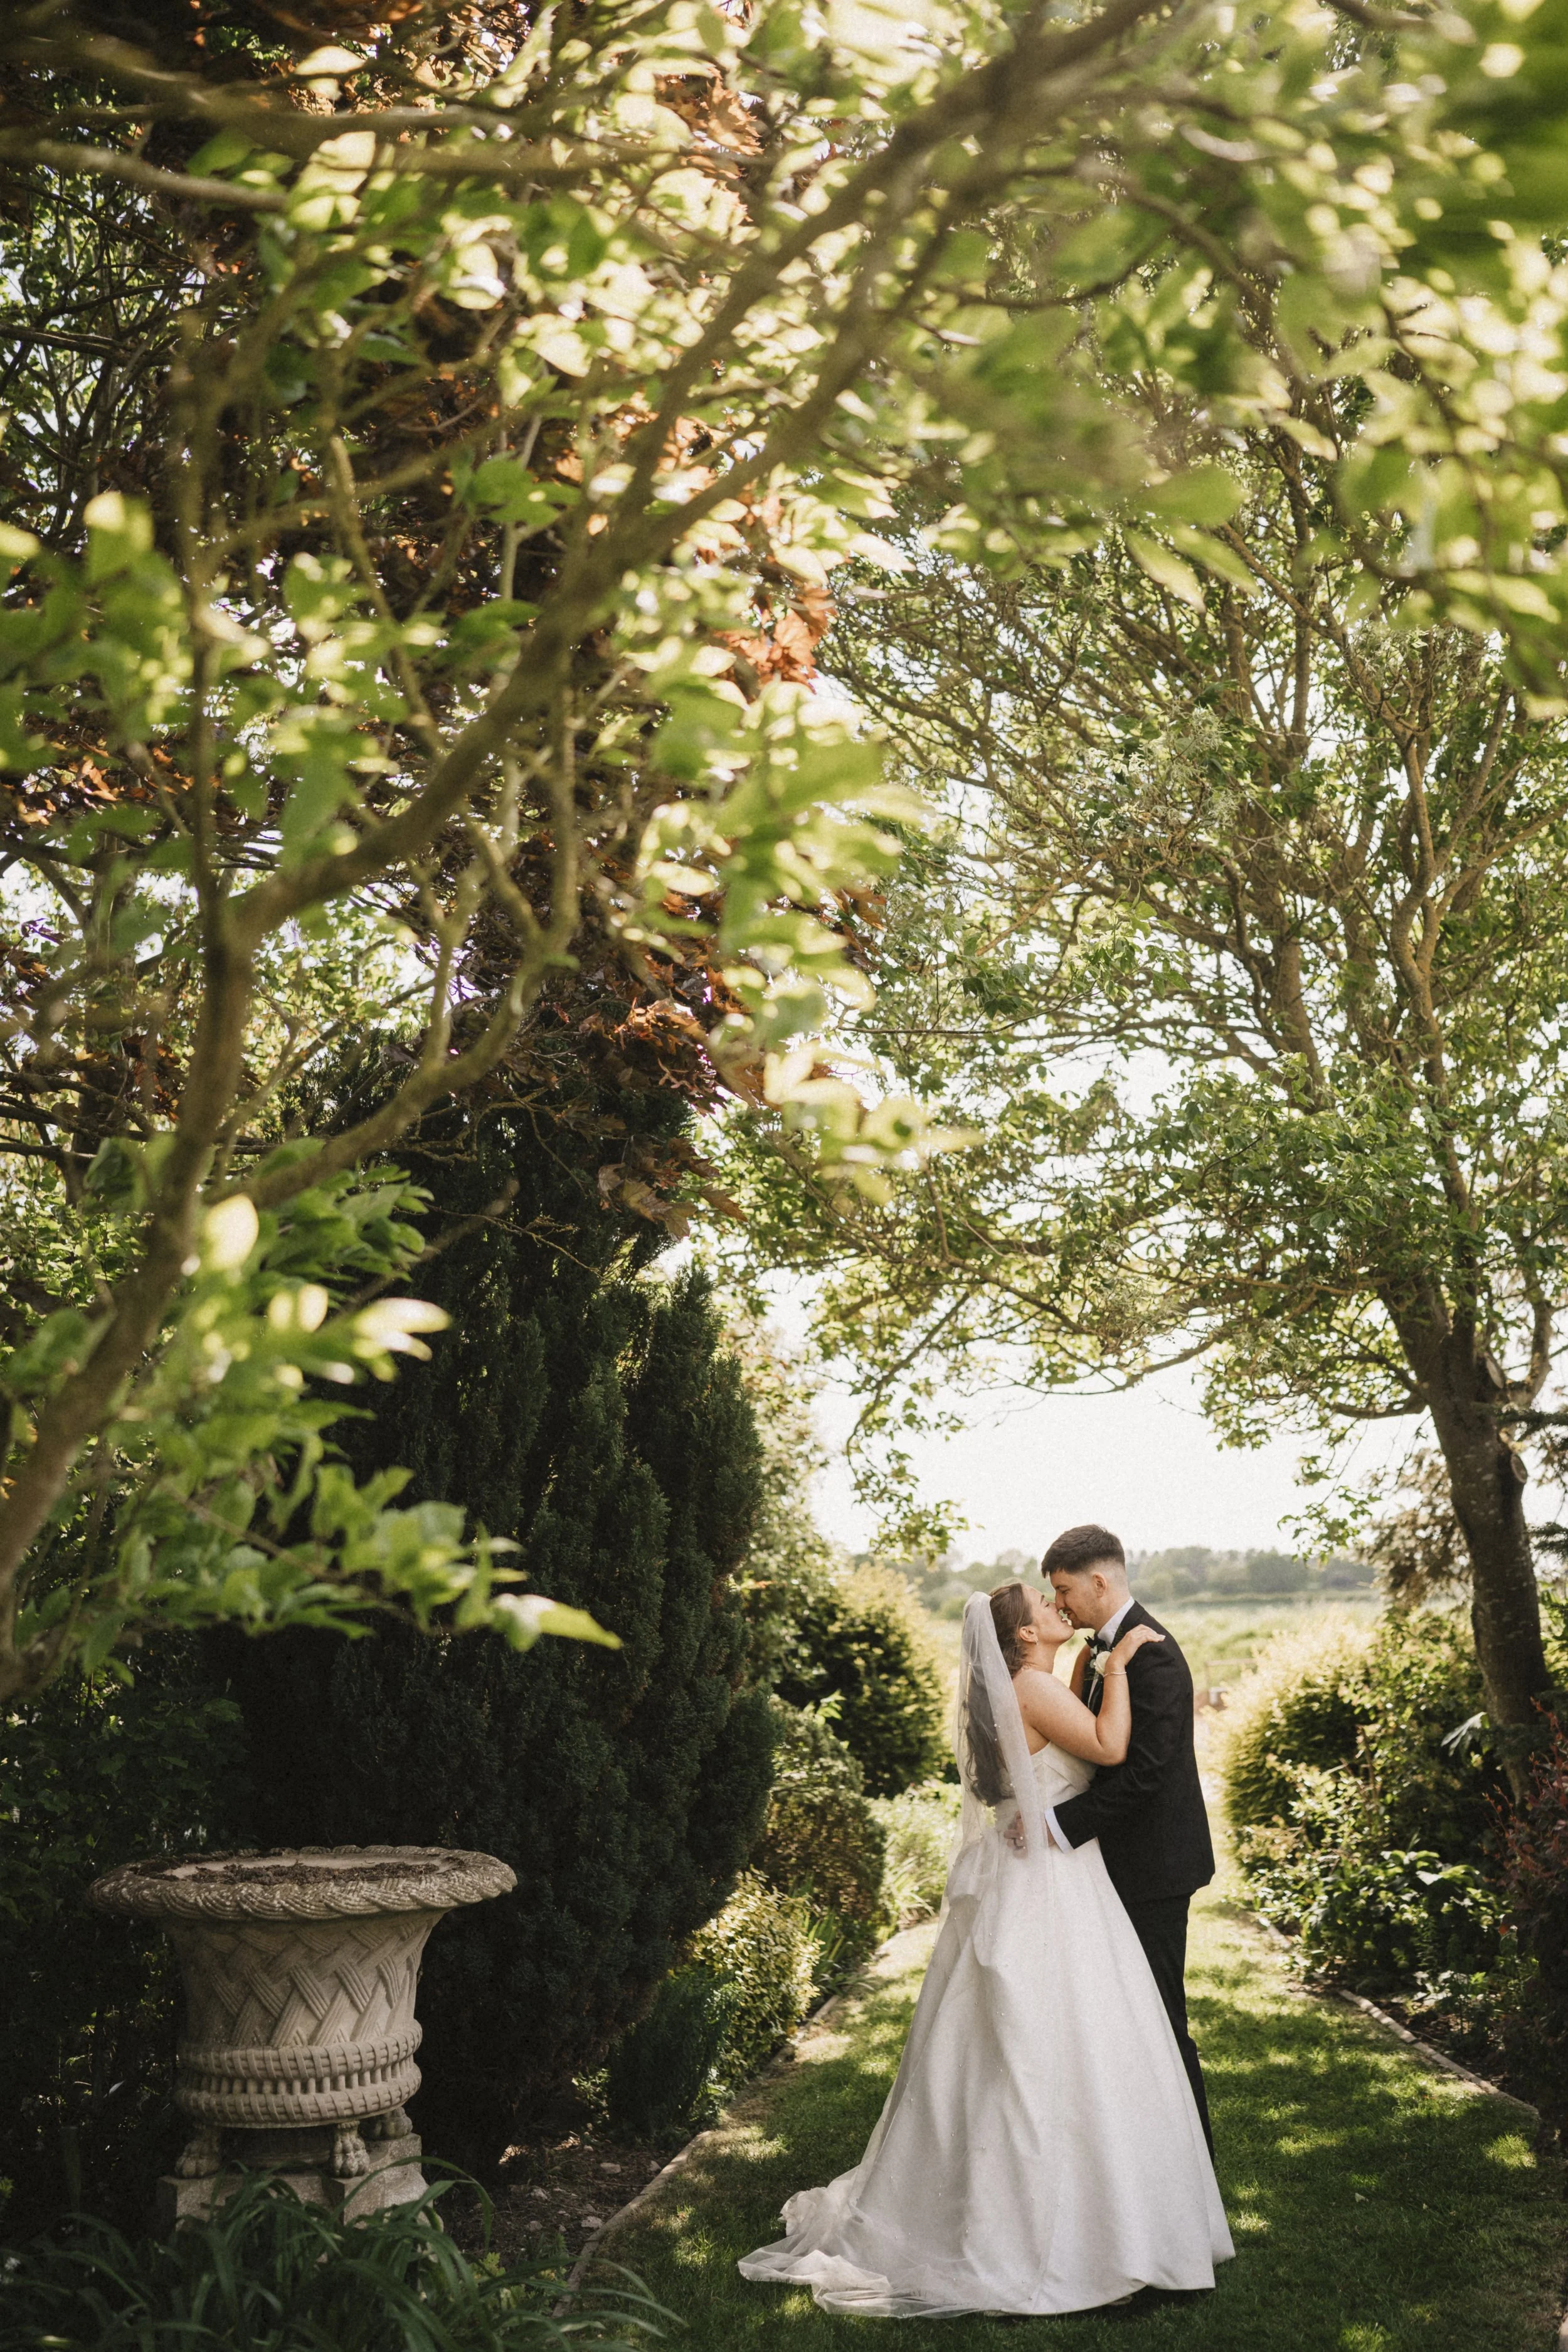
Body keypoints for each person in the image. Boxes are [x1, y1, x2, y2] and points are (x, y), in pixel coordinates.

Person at [738, 1582, 1232, 2318]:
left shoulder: (1019, 1687)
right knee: (1068, 2042)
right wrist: (1121, 1665)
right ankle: (1078, 2232)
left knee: (1004, 2045)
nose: (1054, 1605)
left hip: (1021, 1872)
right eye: (1043, 1601)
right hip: (1054, 1883)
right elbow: (1110, 1745)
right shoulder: (1031, 1687)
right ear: (1022, 1637)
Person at [1042, 1523, 1216, 2147]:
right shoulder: (1097, 1653)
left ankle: (1197, 2174)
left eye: (1064, 1590)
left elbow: (1145, 1773)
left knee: (1163, 2020)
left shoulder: (1156, 1655)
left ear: (1098, 1580)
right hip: (1110, 1864)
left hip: (1155, 1869)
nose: (1059, 1604)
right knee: (1121, 2021)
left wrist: (1056, 1824)